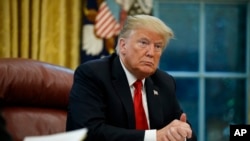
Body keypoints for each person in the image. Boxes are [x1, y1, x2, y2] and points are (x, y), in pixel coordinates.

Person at [66, 14, 197, 141]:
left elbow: (188, 135)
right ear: (123, 46)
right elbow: (89, 132)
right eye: (143, 43)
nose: (151, 53)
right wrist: (154, 137)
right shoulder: (94, 75)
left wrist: (181, 134)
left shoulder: (164, 82)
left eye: (158, 46)